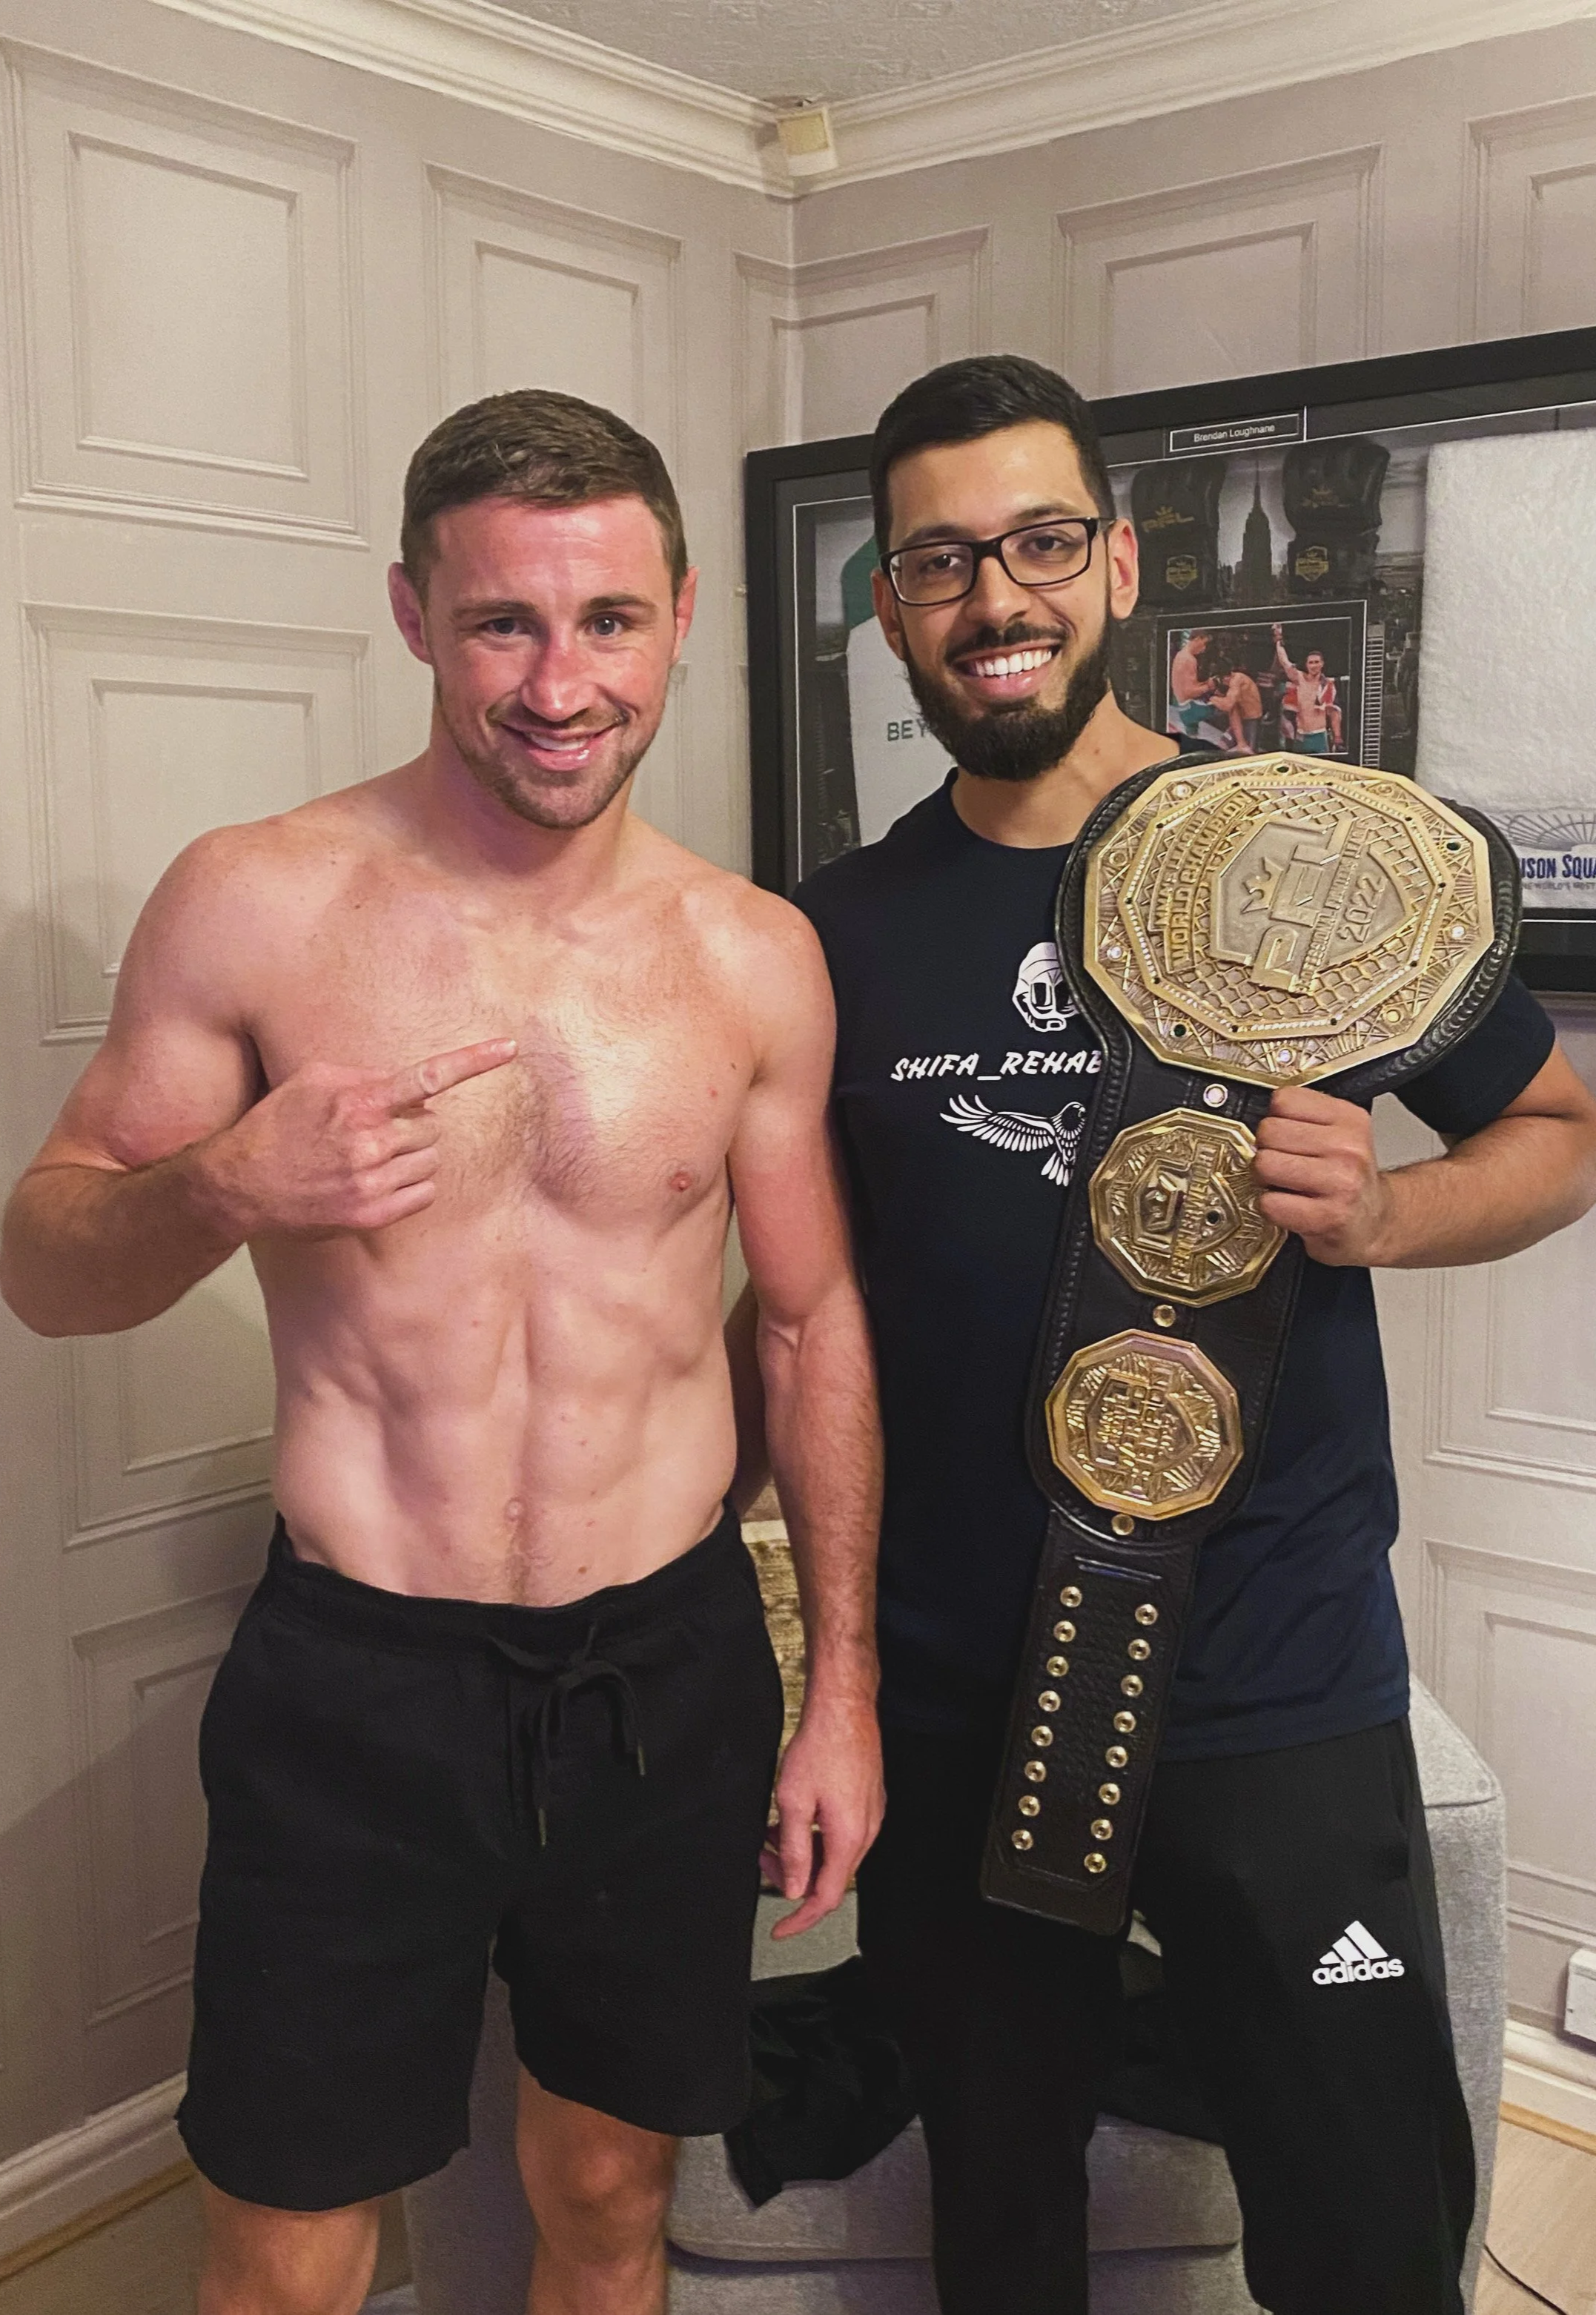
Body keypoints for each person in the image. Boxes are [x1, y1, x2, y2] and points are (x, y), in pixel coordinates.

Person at [732, 354, 1596, 2315]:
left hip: (1267, 1675)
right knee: (999, 2212)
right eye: (938, 561)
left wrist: (1379, 1211)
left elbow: (1556, 1141)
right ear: (893, 609)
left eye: (1040, 542)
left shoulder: (1317, 858)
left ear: (1119, 565)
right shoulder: (831, 934)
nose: (995, 597)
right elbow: (796, 1304)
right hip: (959, 1694)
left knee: (1363, 2229)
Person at [0, 390, 884, 2315]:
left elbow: (811, 1321)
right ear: (413, 613)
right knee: (286, 2246)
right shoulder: (255, 901)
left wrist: (841, 1689)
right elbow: (46, 1266)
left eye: (607, 620)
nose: (559, 685)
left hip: (662, 1667)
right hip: (360, 1678)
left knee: (607, 2192)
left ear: (679, 610)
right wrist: (229, 1180)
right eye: (502, 623)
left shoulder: (751, 955)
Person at [1274, 621, 1344, 753]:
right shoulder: (1300, 679)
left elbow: (1334, 713)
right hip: (1301, 735)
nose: (1314, 665)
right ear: (1306, 665)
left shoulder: (1327, 685)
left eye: (1317, 662)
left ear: (1322, 664)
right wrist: (1278, 639)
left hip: (1320, 735)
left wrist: (1338, 737)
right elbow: (1284, 662)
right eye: (1311, 663)